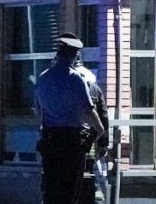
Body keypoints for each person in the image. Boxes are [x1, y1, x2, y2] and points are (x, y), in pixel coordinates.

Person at [35, 32, 106, 204]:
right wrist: (99, 130)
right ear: (75, 55)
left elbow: (38, 111)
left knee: (51, 189)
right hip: (71, 142)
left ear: (58, 53)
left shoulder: (43, 78)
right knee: (70, 189)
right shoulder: (75, 79)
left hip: (50, 140)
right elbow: (88, 110)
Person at [74, 60, 110, 202]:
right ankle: (94, 195)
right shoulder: (95, 88)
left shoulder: (66, 86)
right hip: (91, 141)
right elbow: (104, 117)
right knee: (90, 172)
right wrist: (103, 144)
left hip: (69, 141)